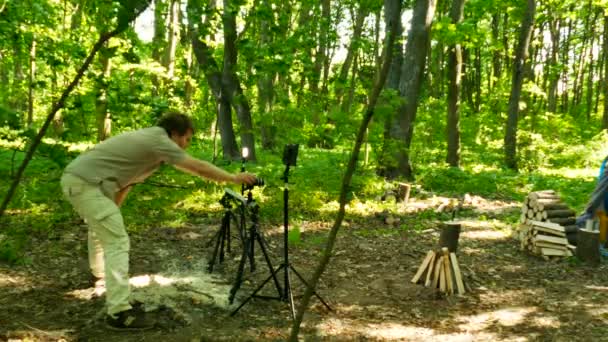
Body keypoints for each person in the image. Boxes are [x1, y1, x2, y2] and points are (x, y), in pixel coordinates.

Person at [60, 112, 256, 330]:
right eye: (186, 139)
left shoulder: (150, 147)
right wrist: (233, 178)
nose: (186, 145)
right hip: (86, 184)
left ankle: (102, 277)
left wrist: (113, 207)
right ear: (174, 133)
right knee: (117, 241)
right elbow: (197, 167)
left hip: (83, 182)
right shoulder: (158, 140)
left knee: (102, 229)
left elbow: (127, 182)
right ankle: (118, 313)